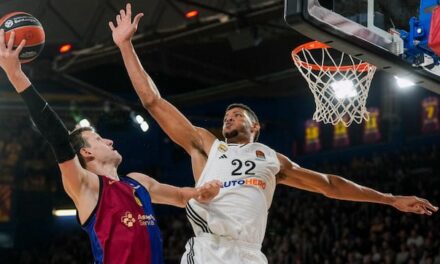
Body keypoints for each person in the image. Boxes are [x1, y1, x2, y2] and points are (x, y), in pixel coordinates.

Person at [109, 4, 438, 264]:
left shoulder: (272, 160)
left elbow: (329, 185)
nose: (229, 118)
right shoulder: (207, 146)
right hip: (213, 249)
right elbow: (153, 101)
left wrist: (390, 200)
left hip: (251, 253)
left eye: (238, 115)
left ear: (255, 127)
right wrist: (125, 46)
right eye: (226, 116)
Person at [0, 29, 221, 264]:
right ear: (86, 152)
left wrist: (203, 192)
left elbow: (179, 196)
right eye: (98, 139)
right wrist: (16, 76)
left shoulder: (138, 182)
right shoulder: (86, 186)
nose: (110, 141)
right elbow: (57, 137)